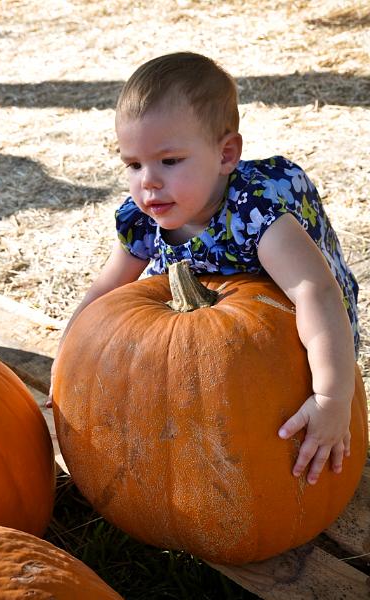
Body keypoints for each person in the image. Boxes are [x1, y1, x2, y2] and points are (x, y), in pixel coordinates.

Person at [49, 51, 360, 486]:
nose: (149, 181)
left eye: (169, 161)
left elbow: (317, 293)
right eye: (133, 164)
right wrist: (67, 361)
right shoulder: (143, 218)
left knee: (296, 356)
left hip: (289, 318)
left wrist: (332, 397)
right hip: (209, 320)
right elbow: (104, 288)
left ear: (226, 154)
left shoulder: (256, 214)